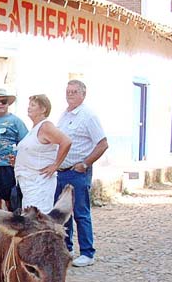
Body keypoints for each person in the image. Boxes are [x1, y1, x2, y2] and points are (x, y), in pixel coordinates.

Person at [54, 80, 109, 267]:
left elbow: (102, 144)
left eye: (74, 91)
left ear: (83, 94)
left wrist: (85, 164)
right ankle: (66, 248)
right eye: (68, 91)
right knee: (62, 213)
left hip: (77, 172)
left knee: (80, 213)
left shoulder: (88, 116)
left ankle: (87, 252)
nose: (70, 94)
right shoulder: (64, 115)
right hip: (61, 171)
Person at [14, 94, 72, 213]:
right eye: (29, 105)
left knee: (38, 218)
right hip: (28, 183)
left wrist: (55, 165)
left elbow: (66, 141)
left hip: (39, 183)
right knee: (29, 217)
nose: (29, 108)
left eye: (33, 105)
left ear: (43, 109)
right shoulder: (34, 129)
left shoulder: (46, 126)